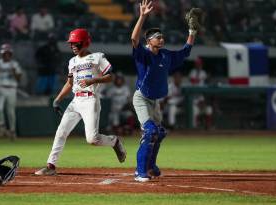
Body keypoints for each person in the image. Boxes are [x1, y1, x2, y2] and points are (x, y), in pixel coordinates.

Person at [34, 28, 127, 176]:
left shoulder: (97, 57)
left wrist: (93, 80)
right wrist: (58, 99)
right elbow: (69, 83)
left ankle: (114, 141)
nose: (72, 45)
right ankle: (51, 166)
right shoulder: (72, 61)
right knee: (61, 132)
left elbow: (111, 77)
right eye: (71, 43)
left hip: (90, 99)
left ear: (85, 42)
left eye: (75, 42)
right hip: (76, 100)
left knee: (92, 139)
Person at [130, 0, 200, 182]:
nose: (161, 38)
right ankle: (140, 172)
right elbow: (134, 39)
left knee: (159, 133)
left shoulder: (165, 55)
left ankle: (151, 166)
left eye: (162, 36)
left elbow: (186, 51)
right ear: (149, 41)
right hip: (142, 98)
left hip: (156, 101)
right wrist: (142, 17)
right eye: (157, 37)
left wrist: (192, 32)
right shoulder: (143, 55)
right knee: (150, 131)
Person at [0, 44, 23, 140]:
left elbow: (18, 78)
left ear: (10, 54)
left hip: (11, 88)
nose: (6, 55)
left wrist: (14, 71)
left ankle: (12, 131)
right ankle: (1, 128)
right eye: (4, 53)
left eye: (8, 53)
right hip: (0, 87)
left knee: (10, 111)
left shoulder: (14, 64)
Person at [189, 57, 213, 129]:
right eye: (197, 64)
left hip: (201, 97)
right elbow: (193, 82)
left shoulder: (203, 72)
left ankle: (208, 127)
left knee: (209, 109)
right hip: (194, 98)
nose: (198, 65)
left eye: (199, 64)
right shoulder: (192, 72)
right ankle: (194, 127)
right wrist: (199, 79)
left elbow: (205, 84)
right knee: (194, 110)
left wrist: (203, 103)